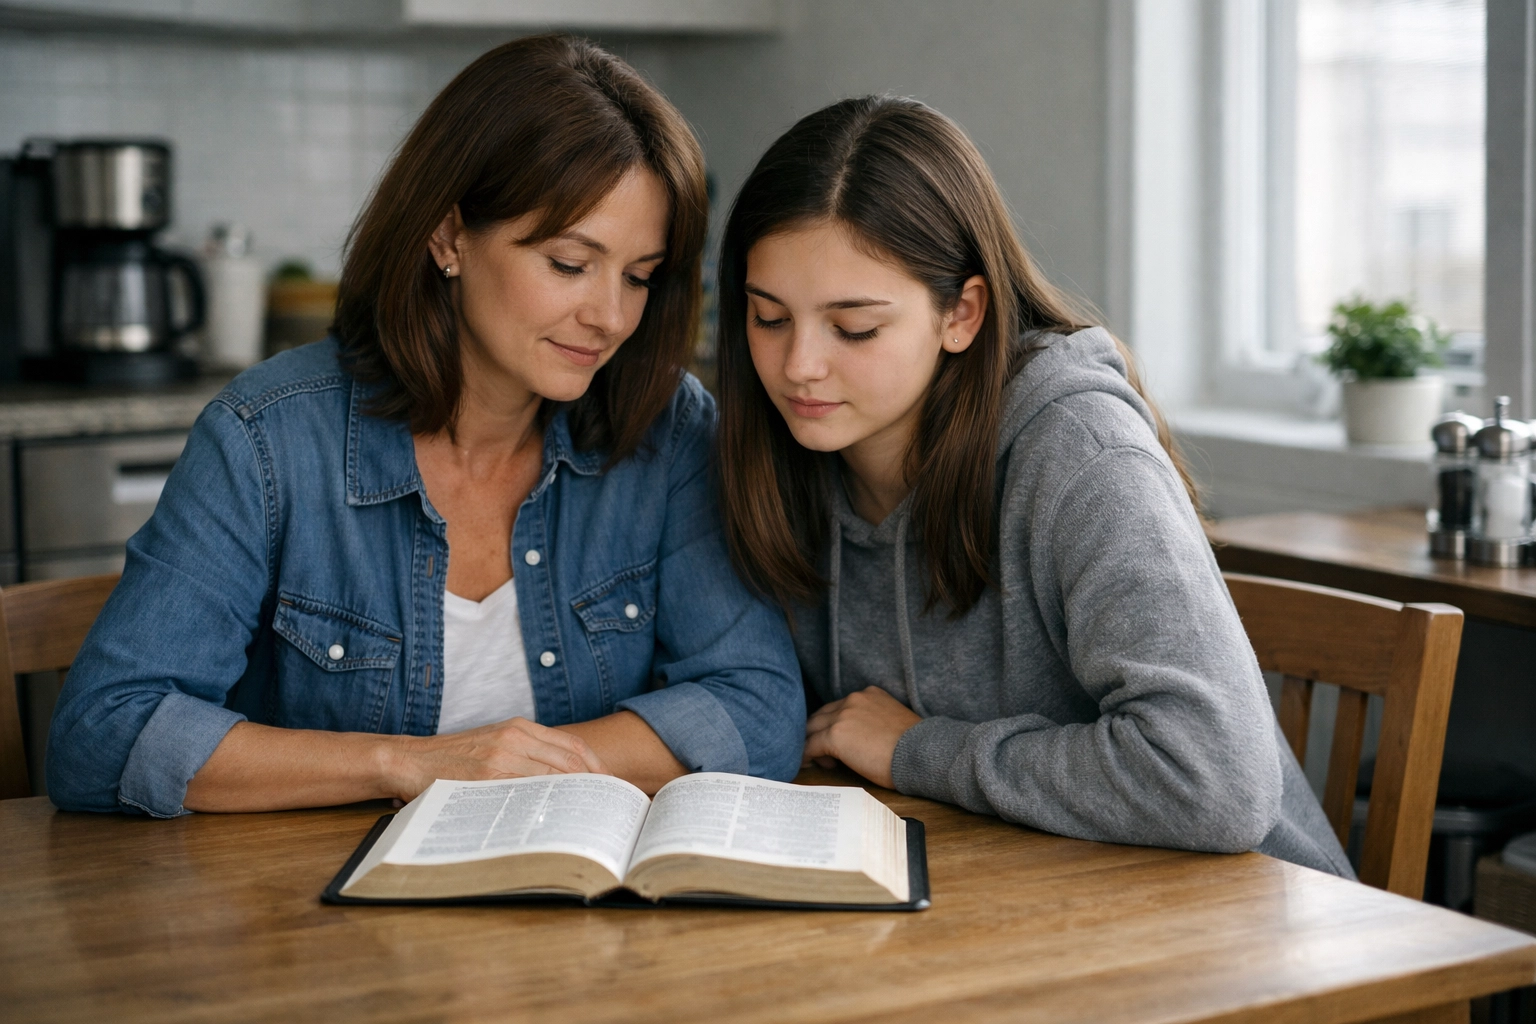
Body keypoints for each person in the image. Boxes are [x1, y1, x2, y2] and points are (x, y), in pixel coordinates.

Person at [46, 36, 804, 817]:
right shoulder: (268, 439)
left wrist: (530, 767)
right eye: (570, 265)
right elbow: (105, 733)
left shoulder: (666, 430)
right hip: (307, 915)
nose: (610, 317)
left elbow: (760, 704)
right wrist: (413, 765)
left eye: (640, 277)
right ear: (449, 237)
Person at [714, 95, 1353, 875]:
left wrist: (918, 750)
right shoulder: (780, 455)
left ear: (963, 314)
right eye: (768, 317)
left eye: (854, 328)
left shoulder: (1079, 451)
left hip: (1251, 929)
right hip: (1028, 900)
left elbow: (1213, 781)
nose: (797, 365)